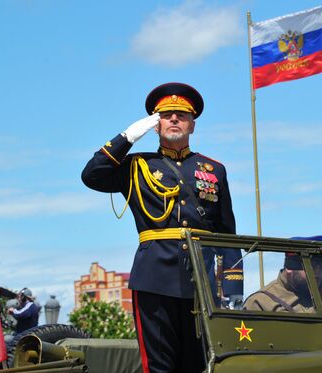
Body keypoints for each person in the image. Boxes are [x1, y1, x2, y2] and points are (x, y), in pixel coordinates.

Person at [81, 82, 243, 373]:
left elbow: (226, 234)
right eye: (166, 115)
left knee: (200, 364)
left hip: (201, 282)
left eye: (181, 115)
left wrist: (232, 288)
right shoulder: (135, 166)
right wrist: (127, 137)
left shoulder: (213, 169)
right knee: (159, 367)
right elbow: (91, 175)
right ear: (155, 125)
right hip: (154, 279)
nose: (174, 119)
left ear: (192, 125)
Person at [244, 236, 322, 314]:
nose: (317, 273)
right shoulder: (260, 302)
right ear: (289, 268)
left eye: (321, 266)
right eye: (310, 267)